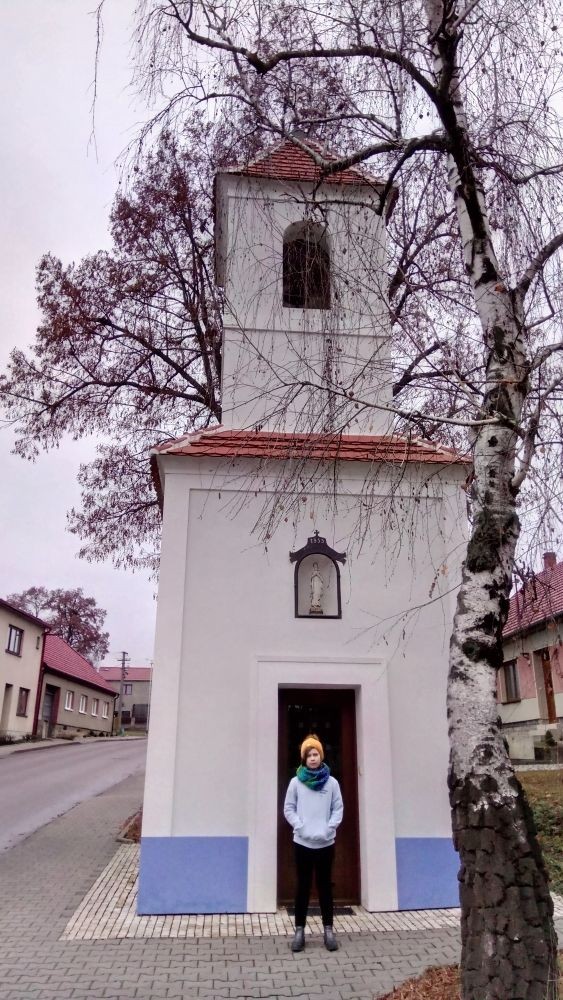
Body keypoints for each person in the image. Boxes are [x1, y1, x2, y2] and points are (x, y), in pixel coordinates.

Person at [283, 734, 344, 952]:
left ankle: (328, 930)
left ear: (321, 756)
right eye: (308, 755)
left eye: (315, 754)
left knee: (325, 887)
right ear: (304, 758)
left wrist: (329, 828)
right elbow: (288, 808)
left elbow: (338, 808)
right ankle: (299, 931)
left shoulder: (332, 783)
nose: (312, 758)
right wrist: (299, 826)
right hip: (302, 844)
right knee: (303, 887)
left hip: (325, 844)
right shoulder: (296, 782)